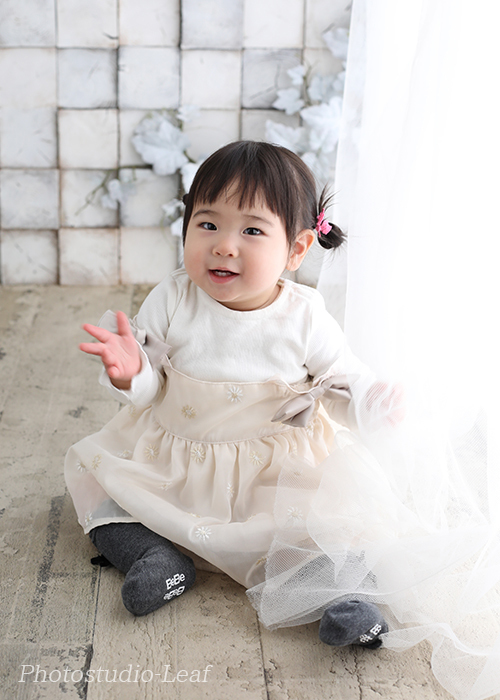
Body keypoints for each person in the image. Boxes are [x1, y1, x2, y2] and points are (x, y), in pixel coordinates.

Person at [65, 141, 402, 648]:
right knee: (99, 488)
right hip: (176, 462)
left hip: (274, 474)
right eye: (208, 224)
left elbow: (340, 383)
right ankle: (155, 556)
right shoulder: (173, 297)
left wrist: (371, 400)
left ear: (296, 249)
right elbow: (149, 388)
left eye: (251, 231)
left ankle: (347, 598)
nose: (224, 245)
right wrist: (132, 372)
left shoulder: (304, 316)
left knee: (325, 531)